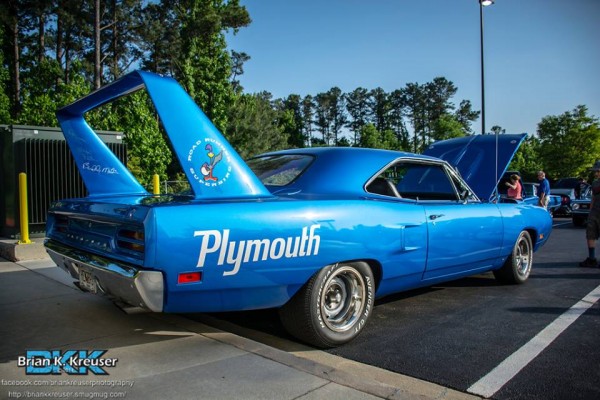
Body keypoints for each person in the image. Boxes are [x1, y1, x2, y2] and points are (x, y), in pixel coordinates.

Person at [580, 168, 600, 268]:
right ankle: (592, 259)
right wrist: (590, 212)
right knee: (590, 234)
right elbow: (593, 197)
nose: (595, 173)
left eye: (598, 171)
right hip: (595, 212)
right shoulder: (595, 183)